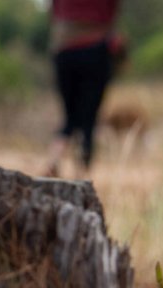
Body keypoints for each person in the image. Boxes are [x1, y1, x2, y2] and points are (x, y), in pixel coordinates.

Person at [46, 0, 121, 177]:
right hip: (95, 49)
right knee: (89, 119)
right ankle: (82, 176)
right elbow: (112, 14)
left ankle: (54, 159)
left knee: (70, 118)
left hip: (64, 50)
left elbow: (54, 14)